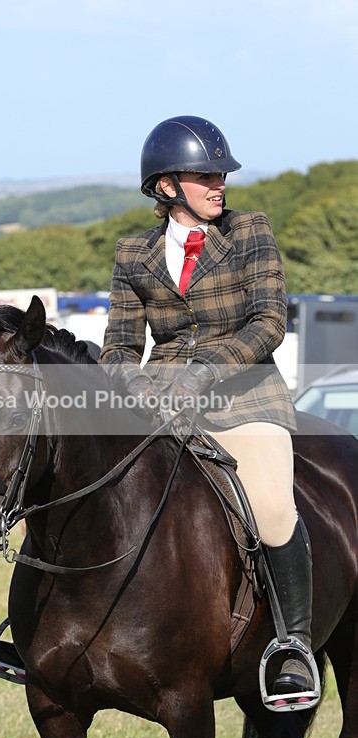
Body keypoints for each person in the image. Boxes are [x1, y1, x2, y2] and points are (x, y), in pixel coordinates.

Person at [99, 115, 317, 706]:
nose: (220, 184)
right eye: (206, 176)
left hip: (245, 397)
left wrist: (204, 372)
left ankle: (293, 647)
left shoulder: (249, 231)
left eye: (222, 175)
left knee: (272, 509)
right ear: (166, 185)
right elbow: (118, 346)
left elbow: (268, 323)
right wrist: (136, 387)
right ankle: (45, 628)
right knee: (89, 480)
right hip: (160, 405)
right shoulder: (133, 253)